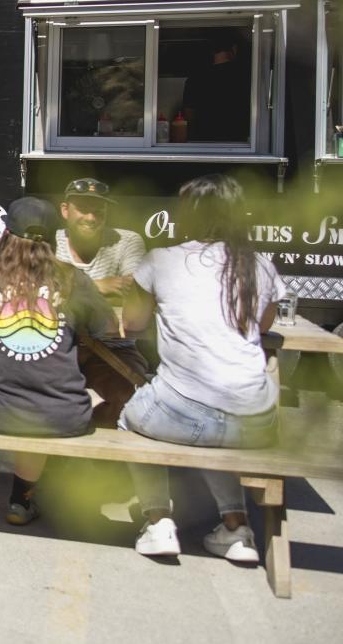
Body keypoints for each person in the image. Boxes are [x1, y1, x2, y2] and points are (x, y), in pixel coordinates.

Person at [119, 174, 284, 563]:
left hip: (184, 413)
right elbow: (262, 325)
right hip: (258, 418)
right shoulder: (258, 264)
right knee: (217, 427)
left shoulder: (162, 259)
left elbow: (133, 323)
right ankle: (236, 527)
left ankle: (158, 522)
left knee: (132, 417)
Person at [0, 197, 119, 525]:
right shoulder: (72, 279)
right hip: (64, 415)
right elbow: (109, 328)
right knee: (36, 389)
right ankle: (21, 499)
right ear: (52, 239)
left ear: (5, 233)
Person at [55, 177, 151, 425]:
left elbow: (132, 288)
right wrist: (98, 285)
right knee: (35, 392)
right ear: (65, 210)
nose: (91, 217)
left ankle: (96, 460)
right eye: (84, 209)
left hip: (114, 348)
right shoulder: (50, 239)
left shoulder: (127, 240)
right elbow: (37, 285)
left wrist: (68, 287)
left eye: (99, 211)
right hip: (56, 348)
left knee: (122, 392)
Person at [181, 32, 251, 143]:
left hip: (203, 141)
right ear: (234, 49)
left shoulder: (195, 79)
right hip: (237, 143)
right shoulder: (244, 76)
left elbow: (189, 114)